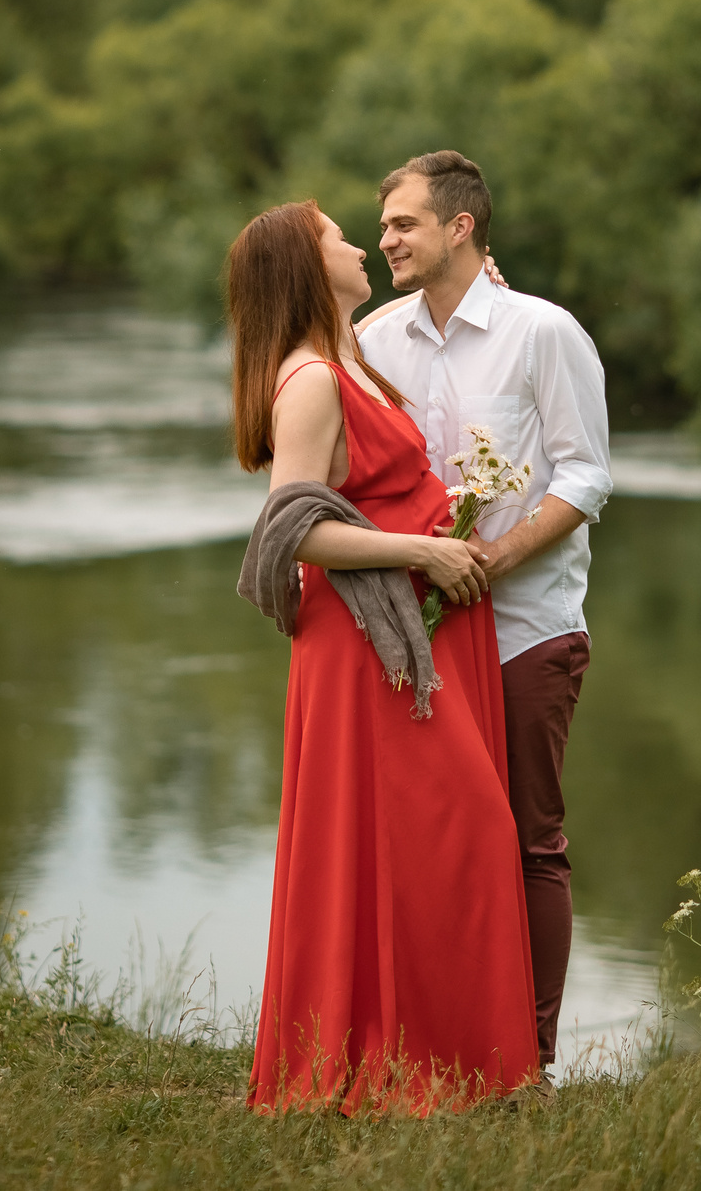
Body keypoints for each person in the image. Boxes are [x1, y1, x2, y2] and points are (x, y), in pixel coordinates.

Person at [227, 199, 540, 1114]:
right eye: (338, 237)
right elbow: (296, 529)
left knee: (422, 846)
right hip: (365, 646)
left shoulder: (347, 355)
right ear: (306, 266)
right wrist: (424, 551)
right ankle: (412, 1066)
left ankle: (449, 1064)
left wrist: (491, 300)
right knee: (467, 832)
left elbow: (419, 339)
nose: (359, 245)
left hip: (396, 635)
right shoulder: (312, 381)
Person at [357, 150, 612, 1079]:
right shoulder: (379, 343)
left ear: (461, 227)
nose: (385, 239)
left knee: (529, 842)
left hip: (527, 628)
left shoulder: (543, 333)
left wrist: (495, 557)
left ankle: (527, 1063)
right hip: (420, 640)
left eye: (402, 225)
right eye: (382, 228)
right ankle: (441, 1045)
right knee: (432, 845)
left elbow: (587, 475)